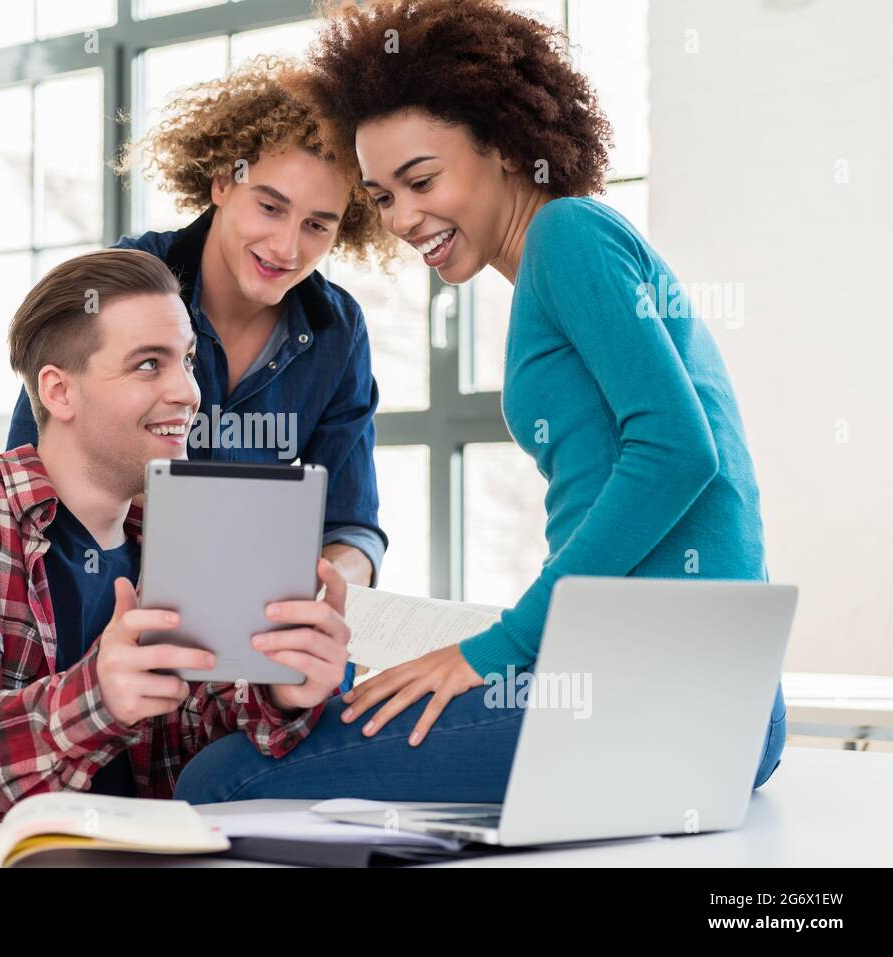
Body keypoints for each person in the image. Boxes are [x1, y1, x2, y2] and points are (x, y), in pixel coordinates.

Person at [171, 0, 786, 804]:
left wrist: (500, 649)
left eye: (421, 180)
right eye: (382, 196)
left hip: (679, 685)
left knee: (222, 777)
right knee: (309, 716)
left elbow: (678, 451)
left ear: (502, 147)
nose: (403, 219)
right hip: (689, 681)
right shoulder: (553, 262)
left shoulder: (569, 234)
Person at [0, 249, 350, 818]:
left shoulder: (177, 536)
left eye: (188, 360)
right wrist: (93, 701)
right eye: (149, 364)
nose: (187, 392)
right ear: (59, 392)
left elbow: (193, 736)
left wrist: (282, 690)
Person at [5, 61, 395, 689]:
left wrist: (328, 591)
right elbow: (32, 481)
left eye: (317, 224)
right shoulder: (126, 286)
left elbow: (349, 524)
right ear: (221, 182)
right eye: (270, 206)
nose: (287, 247)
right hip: (95, 627)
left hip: (258, 654)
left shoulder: (338, 332)